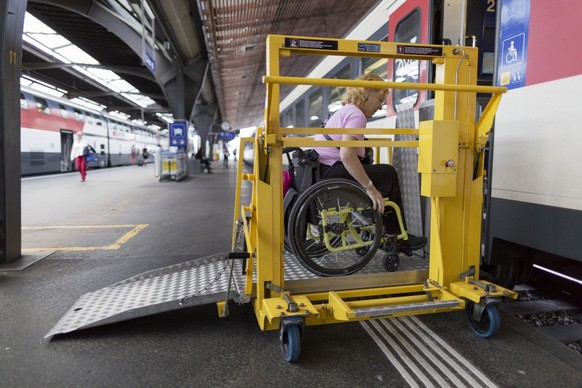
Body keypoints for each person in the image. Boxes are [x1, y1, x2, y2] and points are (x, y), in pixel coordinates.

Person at [312, 73, 426, 252]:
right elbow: (347, 156)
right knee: (388, 174)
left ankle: (374, 221)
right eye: (380, 99)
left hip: (321, 171)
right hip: (332, 172)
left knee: (377, 173)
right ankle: (395, 236)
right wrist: (370, 188)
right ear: (367, 92)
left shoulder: (344, 110)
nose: (380, 107)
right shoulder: (357, 115)